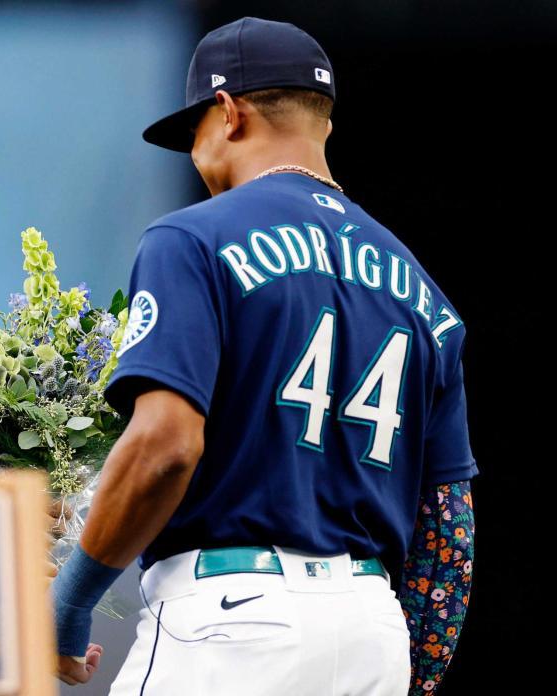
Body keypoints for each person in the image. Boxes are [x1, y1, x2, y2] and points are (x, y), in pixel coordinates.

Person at [52, 17, 477, 695]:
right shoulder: (424, 291)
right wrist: (406, 673)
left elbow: (164, 444)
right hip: (372, 626)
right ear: (323, 124)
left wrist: (69, 604)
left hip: (232, 623)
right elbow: (448, 533)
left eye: (191, 134)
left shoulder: (190, 238)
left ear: (227, 112)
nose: (193, 154)